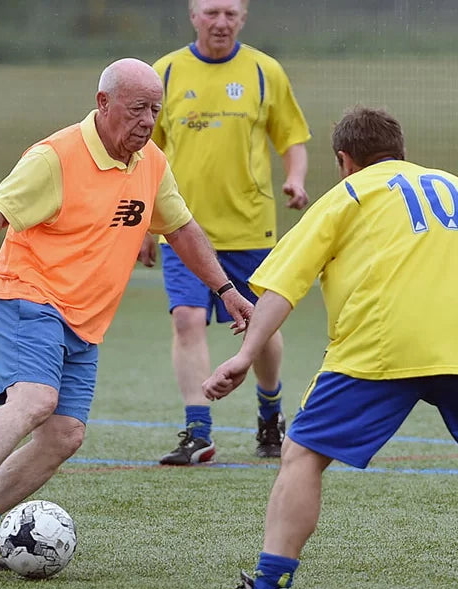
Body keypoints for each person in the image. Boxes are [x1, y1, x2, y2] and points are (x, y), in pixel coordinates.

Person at [196, 107, 458, 589]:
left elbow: (283, 287)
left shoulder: (346, 195)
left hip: (380, 343)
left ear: (344, 160)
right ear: (400, 149)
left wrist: (245, 354)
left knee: (304, 454)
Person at [0, 58, 253, 571]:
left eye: (155, 111)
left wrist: (225, 289)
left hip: (84, 323)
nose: (146, 121)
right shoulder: (55, 157)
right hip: (26, 296)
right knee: (36, 399)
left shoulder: (151, 162)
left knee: (64, 435)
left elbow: (181, 229)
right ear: (104, 104)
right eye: (137, 109)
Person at [142, 0, 312, 465]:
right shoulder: (166, 73)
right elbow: (144, 150)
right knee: (186, 320)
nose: (221, 22)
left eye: (230, 13)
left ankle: (270, 414)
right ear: (193, 15)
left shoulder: (264, 71)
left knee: (259, 325)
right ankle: (198, 433)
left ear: (243, 17)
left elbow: (292, 137)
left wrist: (295, 178)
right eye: (211, 12)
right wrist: (141, 222)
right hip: (181, 226)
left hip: (250, 228)